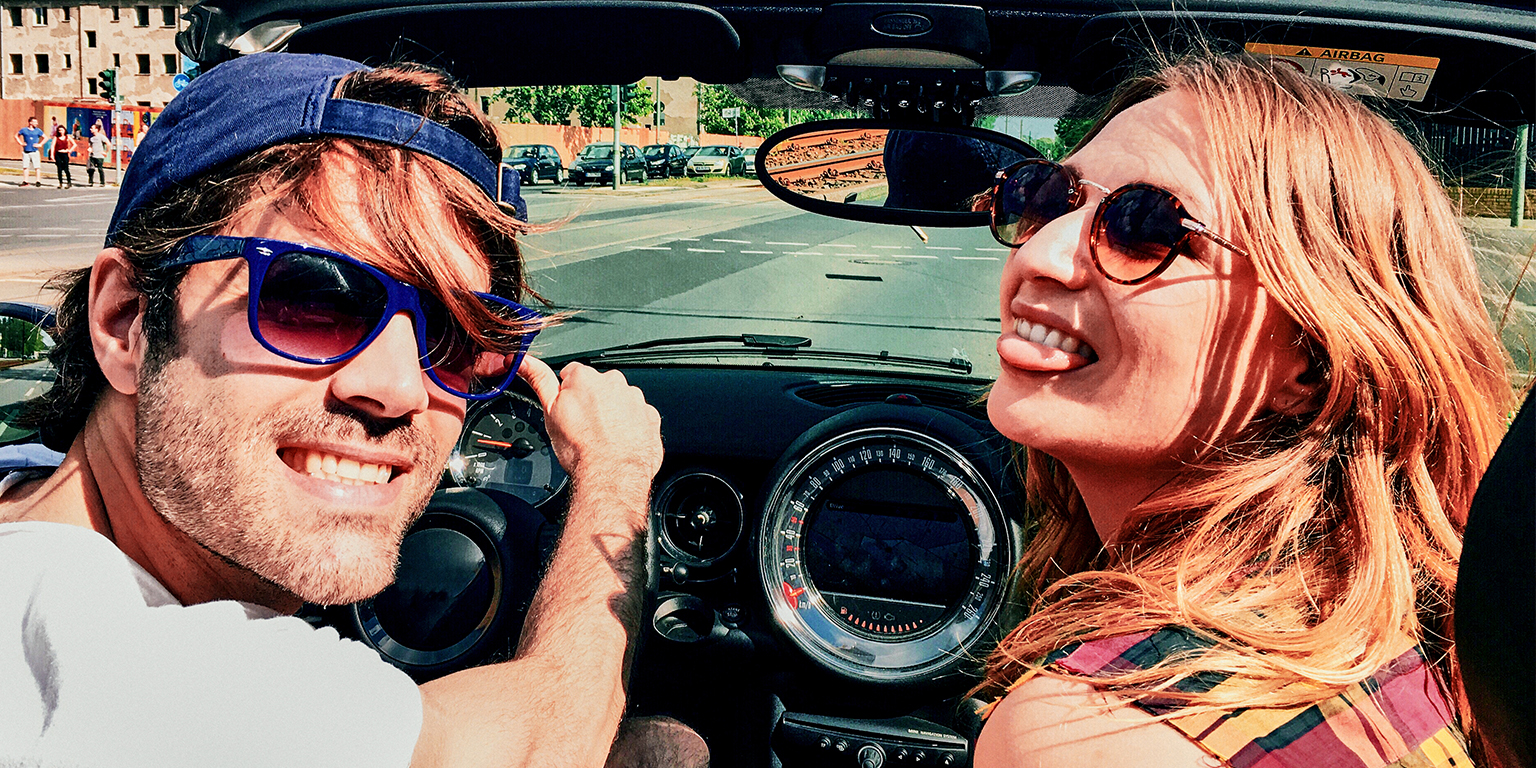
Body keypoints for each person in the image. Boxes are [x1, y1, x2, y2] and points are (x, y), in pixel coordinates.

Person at [0, 52, 665, 767]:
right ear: (126, 321)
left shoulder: (25, 492)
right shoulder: (149, 683)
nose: (400, 389)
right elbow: (551, 741)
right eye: (312, 298)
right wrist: (614, 470)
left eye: (456, 336)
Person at [973, 53, 1514, 768]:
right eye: (1050, 196)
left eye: (1145, 228)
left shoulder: (1094, 735)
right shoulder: (1423, 641)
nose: (1044, 252)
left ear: (1316, 362)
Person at [14, 116, 43, 187]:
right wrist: (21, 143)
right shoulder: (24, 130)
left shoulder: (38, 131)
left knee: (37, 167)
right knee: (25, 166)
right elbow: (16, 136)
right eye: (35, 122)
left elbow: (45, 137)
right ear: (30, 122)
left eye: (37, 122)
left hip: (34, 151)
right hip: (26, 151)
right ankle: (25, 181)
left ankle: (38, 181)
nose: (36, 123)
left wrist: (40, 144)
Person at [48, 124, 76, 188]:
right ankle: (60, 183)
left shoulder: (67, 137)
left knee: (66, 169)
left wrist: (69, 150)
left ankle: (69, 182)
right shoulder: (56, 138)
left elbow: (74, 144)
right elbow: (53, 146)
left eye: (62, 130)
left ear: (64, 130)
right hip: (58, 154)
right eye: (59, 130)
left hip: (65, 154)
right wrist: (52, 155)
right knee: (59, 169)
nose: (61, 131)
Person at [86, 121, 109, 186]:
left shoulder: (101, 136)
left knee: (100, 169)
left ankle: (102, 182)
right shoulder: (91, 138)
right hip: (92, 155)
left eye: (92, 128)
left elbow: (108, 143)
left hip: (99, 156)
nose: (91, 129)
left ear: (96, 129)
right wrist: (90, 149)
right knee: (91, 169)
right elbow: (90, 146)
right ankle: (91, 182)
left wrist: (105, 152)